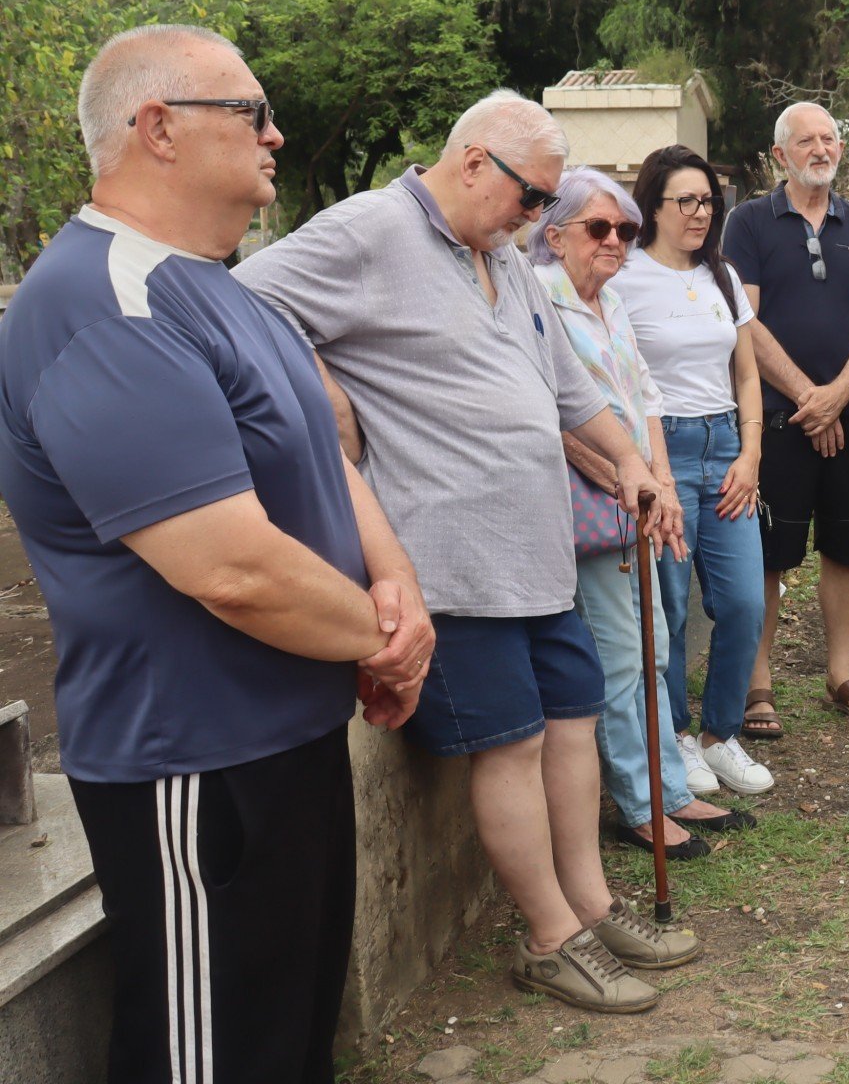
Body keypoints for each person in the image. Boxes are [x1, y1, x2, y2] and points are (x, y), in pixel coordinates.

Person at [0, 24, 431, 1082]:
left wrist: (401, 592)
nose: (276, 135)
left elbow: (329, 462)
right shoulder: (102, 306)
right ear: (158, 129)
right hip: (192, 760)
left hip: (284, 736)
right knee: (207, 1057)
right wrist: (384, 642)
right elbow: (227, 565)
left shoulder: (223, 288)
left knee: (282, 1042)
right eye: (251, 113)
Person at [238, 89, 698, 1016]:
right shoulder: (368, 229)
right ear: (476, 160)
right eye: (534, 199)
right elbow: (244, 305)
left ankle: (593, 906)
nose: (542, 221)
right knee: (511, 743)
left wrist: (633, 464)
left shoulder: (507, 254)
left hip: (539, 551)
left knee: (572, 721)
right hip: (448, 558)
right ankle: (548, 938)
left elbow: (569, 385)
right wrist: (330, 396)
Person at [529, 168, 753, 853]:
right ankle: (637, 804)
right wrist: (627, 480)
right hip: (590, 506)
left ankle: (672, 791)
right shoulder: (540, 299)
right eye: (600, 228)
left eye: (624, 230)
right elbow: (551, 413)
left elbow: (645, 397)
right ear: (554, 233)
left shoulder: (609, 301)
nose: (616, 242)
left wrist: (657, 484)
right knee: (624, 658)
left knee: (655, 647)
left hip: (637, 498)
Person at [722, 103, 849, 732]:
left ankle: (841, 673)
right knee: (767, 554)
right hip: (775, 420)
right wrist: (808, 400)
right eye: (805, 141)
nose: (819, 149)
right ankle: (758, 681)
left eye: (829, 139)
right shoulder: (747, 223)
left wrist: (837, 397)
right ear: (780, 155)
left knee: (847, 549)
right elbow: (749, 323)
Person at [613, 146, 774, 797]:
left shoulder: (723, 277)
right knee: (670, 605)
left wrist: (751, 453)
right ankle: (678, 735)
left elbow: (746, 371)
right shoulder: (621, 277)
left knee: (744, 600)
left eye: (708, 200)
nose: (700, 212)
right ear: (653, 206)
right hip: (663, 454)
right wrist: (651, 470)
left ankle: (721, 734)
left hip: (726, 446)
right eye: (686, 200)